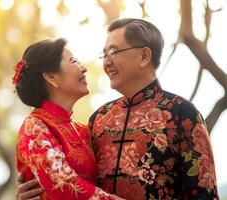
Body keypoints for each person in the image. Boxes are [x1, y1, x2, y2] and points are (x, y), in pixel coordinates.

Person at [16, 18, 219, 200]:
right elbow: (65, 184)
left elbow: (204, 194)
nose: (106, 62)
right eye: (103, 55)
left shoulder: (182, 114)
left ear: (144, 56)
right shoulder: (98, 120)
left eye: (113, 52)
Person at [14, 38, 123, 199]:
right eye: (74, 61)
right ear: (51, 77)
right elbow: (63, 185)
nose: (84, 69)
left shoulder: (83, 130)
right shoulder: (34, 127)